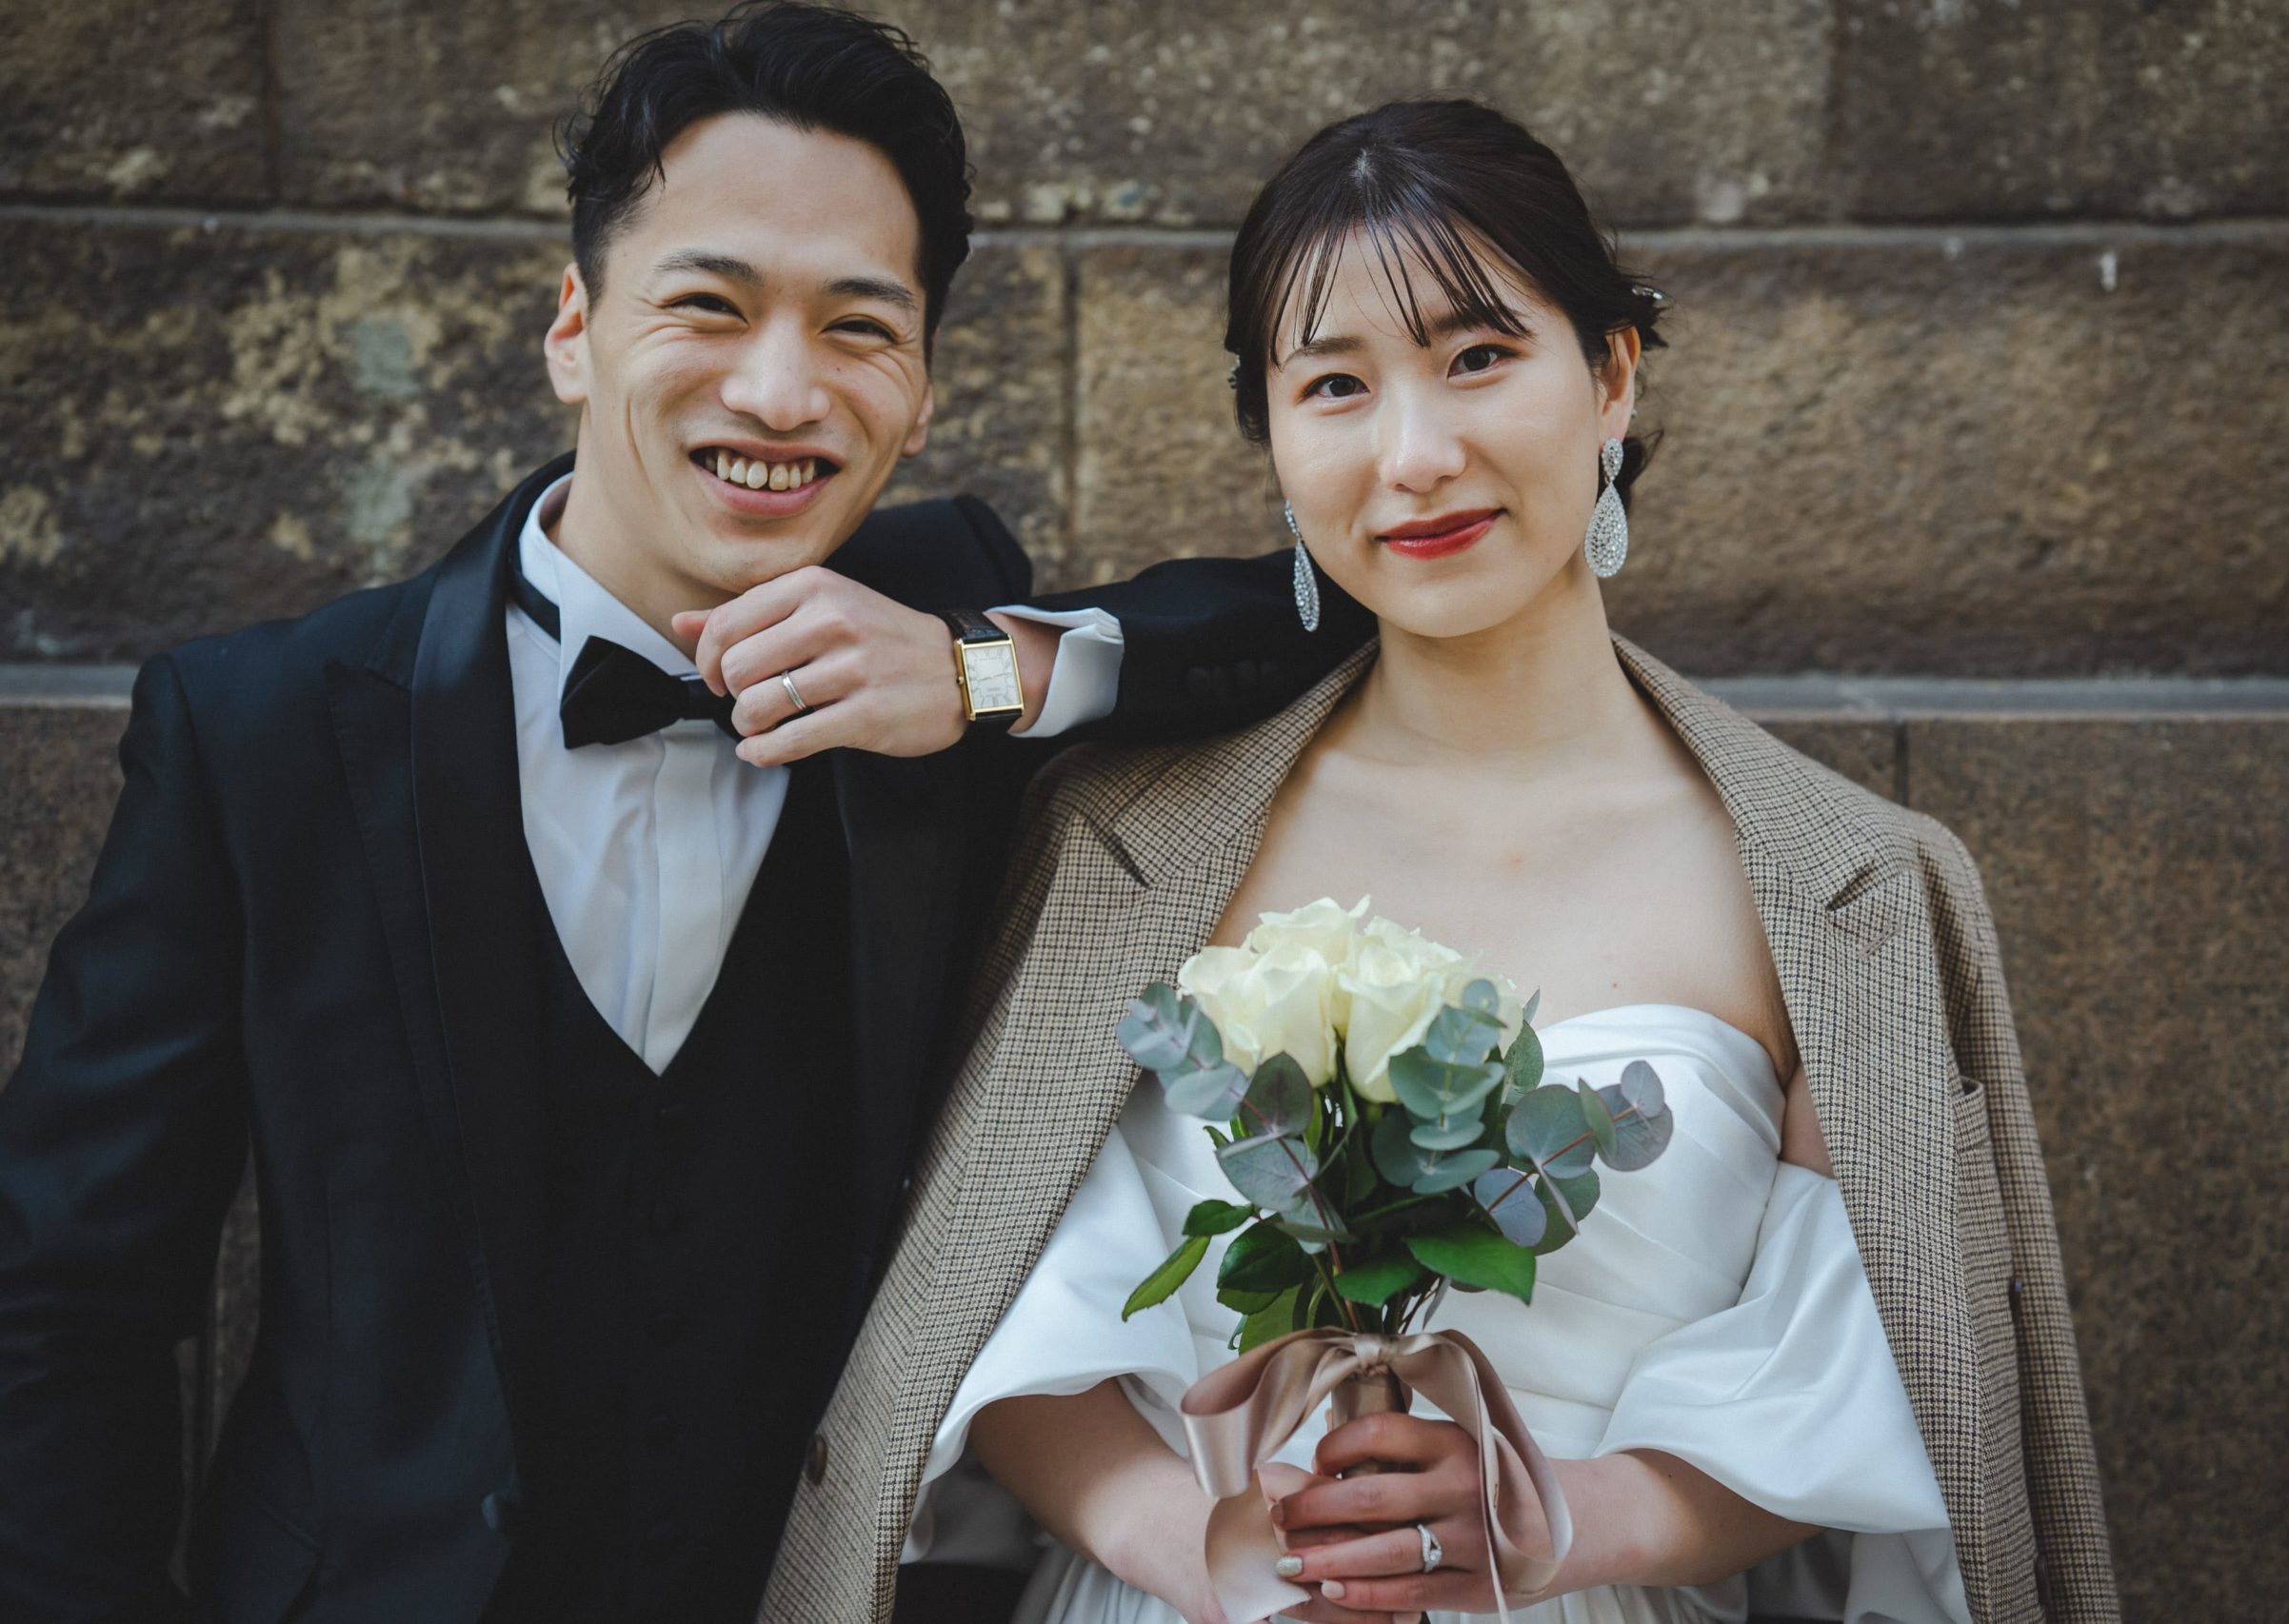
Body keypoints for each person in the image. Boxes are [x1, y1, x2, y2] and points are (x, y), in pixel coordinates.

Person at [0, 8, 1375, 1622]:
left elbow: (1333, 600)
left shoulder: (946, 637)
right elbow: (61, 1294)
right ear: (573, 328)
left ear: (924, 388)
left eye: (859, 326)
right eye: (708, 304)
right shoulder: (262, 731)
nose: (781, 390)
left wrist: (978, 673)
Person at [763, 100, 2117, 1624]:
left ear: (1611, 377)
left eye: (1478, 358)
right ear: (1277, 443)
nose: (1415, 456)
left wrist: (1551, 1520)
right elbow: (985, 1299)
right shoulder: (1116, 841)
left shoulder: (1846, 893)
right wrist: (1203, 1548)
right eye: (1335, 385)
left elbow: (1862, 1383)